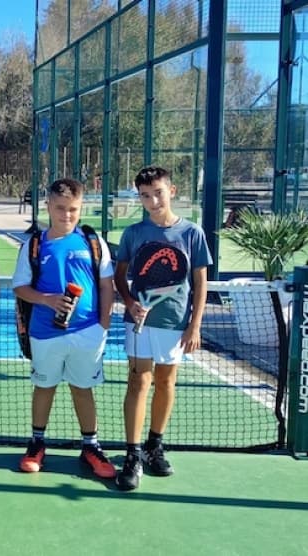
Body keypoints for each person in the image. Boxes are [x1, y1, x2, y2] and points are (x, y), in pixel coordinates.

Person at [113, 166, 212, 491]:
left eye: (157, 192)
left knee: (166, 381)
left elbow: (199, 282)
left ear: (172, 190)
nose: (152, 200)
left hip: (175, 323)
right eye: (144, 195)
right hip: (139, 323)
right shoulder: (133, 234)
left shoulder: (192, 233)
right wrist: (129, 302)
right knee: (139, 381)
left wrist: (194, 325)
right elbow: (120, 276)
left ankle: (155, 445)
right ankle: (132, 453)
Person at [12, 178, 116, 480]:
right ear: (48, 206)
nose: (67, 215)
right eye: (60, 208)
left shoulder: (93, 242)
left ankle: (90, 446)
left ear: (81, 208)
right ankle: (37, 444)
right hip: (45, 332)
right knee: (44, 387)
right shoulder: (34, 244)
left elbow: (107, 285)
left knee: (82, 389)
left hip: (88, 332)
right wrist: (46, 299)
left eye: (73, 209)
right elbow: (20, 287)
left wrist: (104, 325)